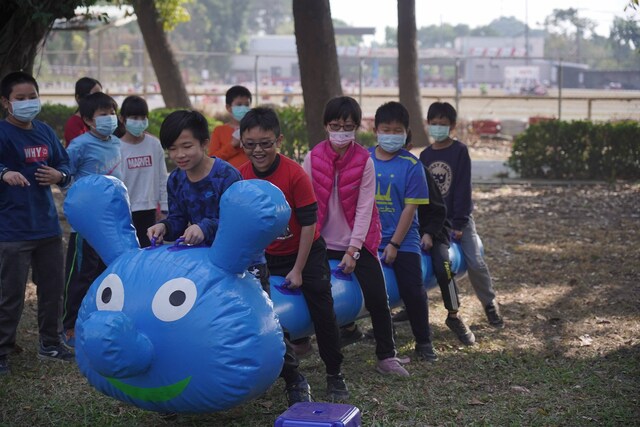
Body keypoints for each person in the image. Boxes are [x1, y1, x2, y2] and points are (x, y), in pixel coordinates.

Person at [238, 107, 348, 401]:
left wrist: (298, 269)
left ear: (279, 140)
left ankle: (334, 373)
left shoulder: (294, 174)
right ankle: (290, 373)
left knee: (322, 306)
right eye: (250, 144)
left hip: (306, 250)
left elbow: (310, 225)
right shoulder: (242, 175)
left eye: (266, 143)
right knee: (263, 310)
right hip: (266, 256)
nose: (258, 150)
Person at [303, 96, 409, 377]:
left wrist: (353, 250)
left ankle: (387, 355)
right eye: (336, 125)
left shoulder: (365, 161)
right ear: (326, 125)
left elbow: (365, 209)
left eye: (348, 126)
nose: (341, 132)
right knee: (308, 290)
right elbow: (306, 206)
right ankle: (300, 342)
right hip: (320, 243)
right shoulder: (312, 158)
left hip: (357, 242)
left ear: (357, 127)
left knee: (377, 296)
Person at [0, 71, 74, 374]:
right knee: (10, 294)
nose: (28, 102)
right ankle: (3, 350)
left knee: (53, 290)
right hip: (12, 230)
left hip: (47, 227)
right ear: (6, 102)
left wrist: (60, 176)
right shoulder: (3, 134)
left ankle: (51, 343)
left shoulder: (44, 131)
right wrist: (4, 173)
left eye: (32, 97)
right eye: (21, 98)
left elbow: (65, 164)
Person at [419, 102, 504, 328]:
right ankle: (411, 309)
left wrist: (459, 223)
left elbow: (462, 189)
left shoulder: (459, 151)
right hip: (434, 222)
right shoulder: (425, 156)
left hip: (459, 220)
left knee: (475, 262)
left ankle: (489, 304)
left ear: (452, 126)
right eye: (434, 124)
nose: (438, 128)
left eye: (443, 124)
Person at [392, 131, 476, 346]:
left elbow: (439, 210)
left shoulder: (419, 170)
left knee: (443, 266)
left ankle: (454, 314)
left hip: (433, 229)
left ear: (409, 145)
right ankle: (399, 314)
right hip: (398, 233)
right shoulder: (378, 169)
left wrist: (429, 233)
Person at [368, 101, 437, 362]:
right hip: (368, 238)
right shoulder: (365, 159)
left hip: (403, 239)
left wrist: (395, 244)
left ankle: (424, 340)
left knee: (412, 287)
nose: (391, 135)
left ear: (407, 133)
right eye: (386, 129)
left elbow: (410, 210)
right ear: (375, 130)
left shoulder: (412, 165)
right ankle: (351, 329)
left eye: (398, 130)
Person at [62, 92, 123, 347]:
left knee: (106, 274)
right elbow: (65, 176)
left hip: (114, 223)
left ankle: (99, 318)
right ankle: (68, 326)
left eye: (112, 113)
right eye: (103, 114)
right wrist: (79, 206)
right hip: (87, 226)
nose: (110, 118)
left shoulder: (117, 143)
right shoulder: (79, 146)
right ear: (88, 120)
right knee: (80, 276)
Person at [147, 110, 242, 246]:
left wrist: (204, 228)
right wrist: (164, 227)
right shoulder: (175, 179)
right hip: (199, 258)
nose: (180, 155)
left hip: (231, 255)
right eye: (172, 149)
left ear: (204, 143)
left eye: (187, 146)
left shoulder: (226, 175)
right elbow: (178, 220)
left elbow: (237, 221)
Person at [119, 95, 168, 247]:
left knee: (149, 252)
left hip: (150, 210)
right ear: (122, 119)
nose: (139, 122)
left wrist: (165, 208)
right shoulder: (117, 148)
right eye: (134, 117)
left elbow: (162, 177)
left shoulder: (154, 145)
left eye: (143, 117)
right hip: (125, 211)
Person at [208, 85, 251, 168]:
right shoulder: (219, 131)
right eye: (239, 104)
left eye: (247, 105)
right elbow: (212, 160)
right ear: (228, 107)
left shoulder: (254, 130)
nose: (243, 108)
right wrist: (232, 145)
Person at [64, 77, 102, 146]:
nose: (98, 100)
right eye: (93, 96)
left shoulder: (101, 119)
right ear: (78, 98)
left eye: (100, 96)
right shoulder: (74, 123)